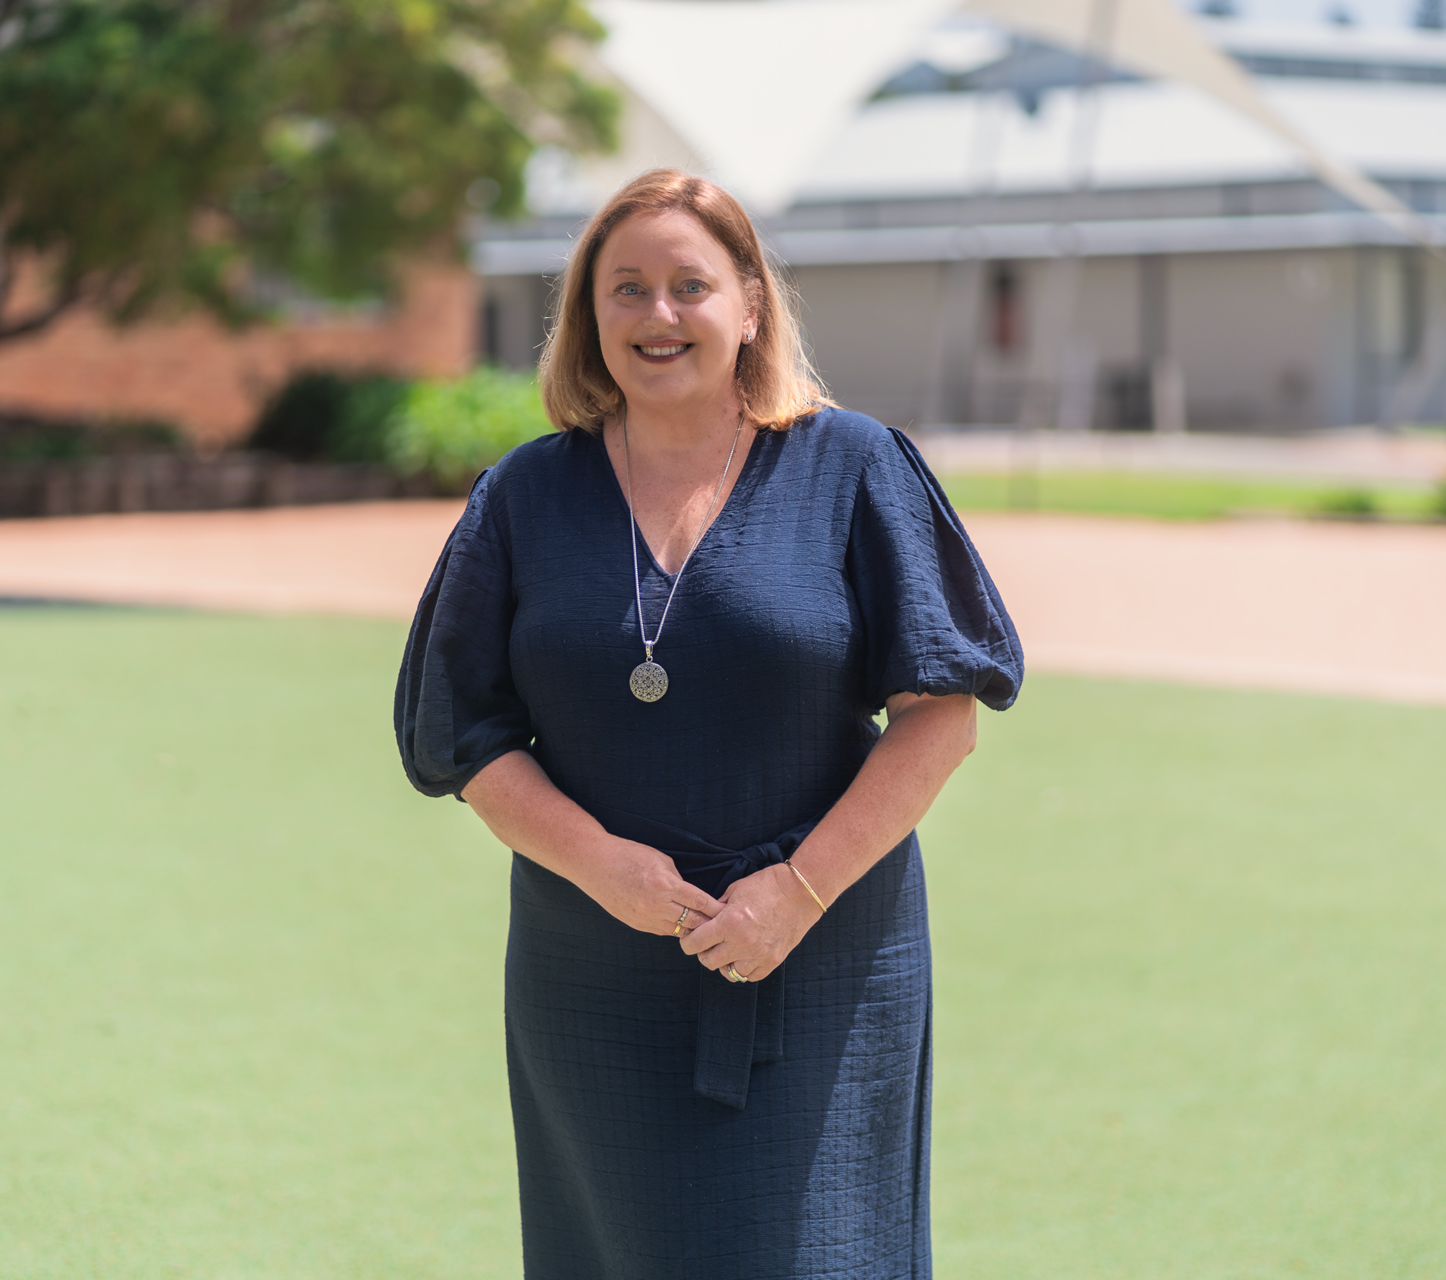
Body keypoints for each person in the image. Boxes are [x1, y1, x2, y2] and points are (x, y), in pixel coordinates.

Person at [395, 168, 1022, 1280]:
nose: (658, 314)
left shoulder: (855, 465)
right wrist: (603, 868)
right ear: (588, 316)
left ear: (751, 305)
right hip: (593, 970)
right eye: (625, 288)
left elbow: (942, 716)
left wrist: (799, 889)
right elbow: (464, 733)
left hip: (822, 960)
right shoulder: (523, 496)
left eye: (690, 283)